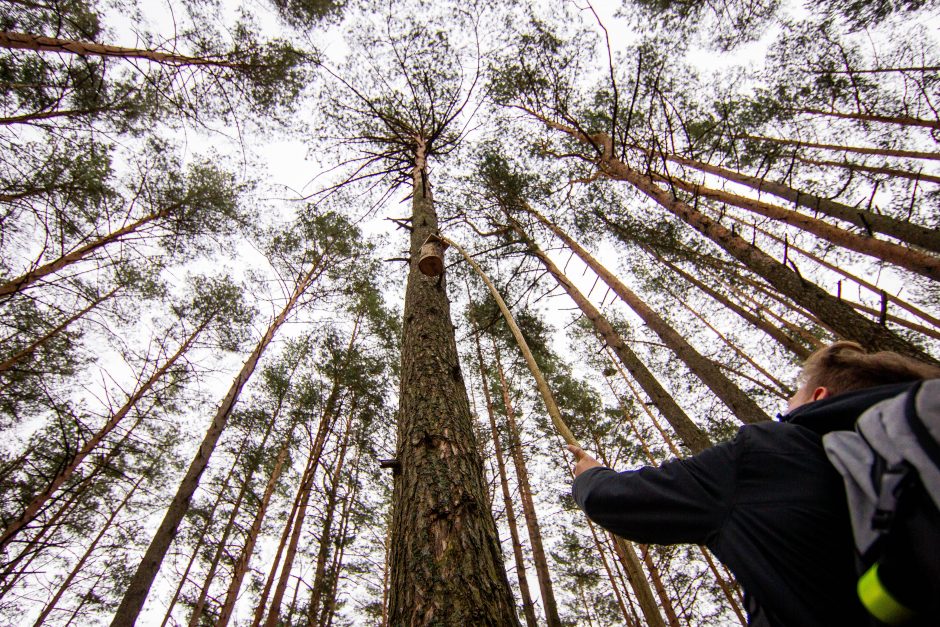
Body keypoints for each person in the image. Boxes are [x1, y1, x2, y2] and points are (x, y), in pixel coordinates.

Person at [568, 341, 940, 626]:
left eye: (790, 401)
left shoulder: (772, 453)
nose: (784, 411)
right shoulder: (917, 452)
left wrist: (590, 475)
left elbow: (621, 501)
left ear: (819, 396)